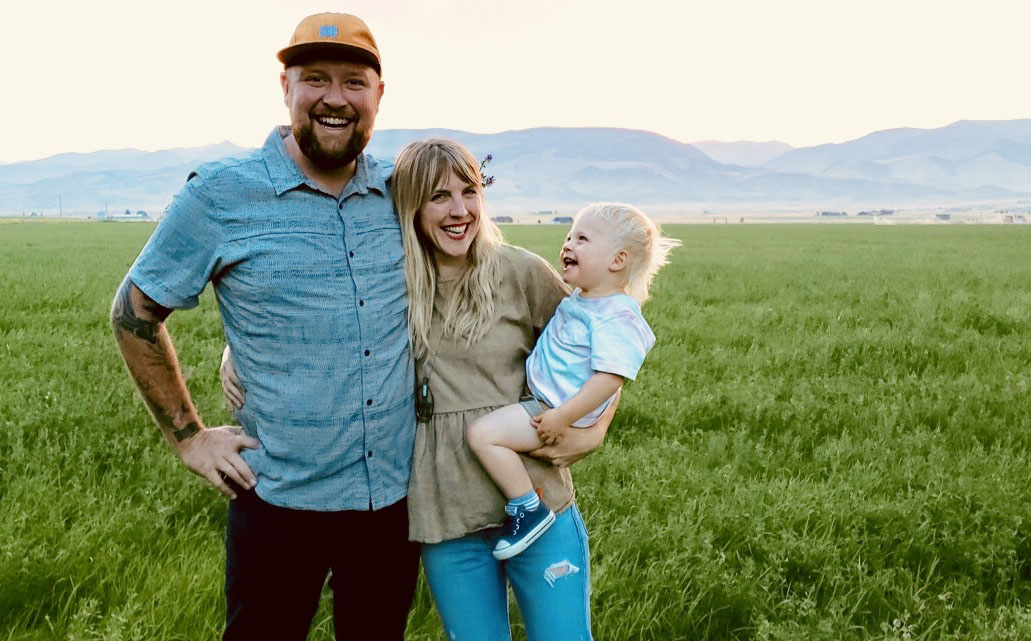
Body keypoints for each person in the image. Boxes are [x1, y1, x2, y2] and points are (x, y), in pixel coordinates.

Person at [222, 139, 617, 640]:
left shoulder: (520, 272)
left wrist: (597, 427)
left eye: (468, 191)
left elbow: (604, 347)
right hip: (445, 517)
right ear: (410, 205)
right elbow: (307, 316)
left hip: (539, 503)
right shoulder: (390, 281)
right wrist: (233, 349)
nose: (459, 211)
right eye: (438, 196)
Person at [110, 13, 419, 640]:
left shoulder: (403, 189)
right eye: (315, 79)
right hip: (277, 503)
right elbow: (134, 314)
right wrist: (190, 439)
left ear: (378, 95)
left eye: (353, 81)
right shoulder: (222, 194)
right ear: (286, 87)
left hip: (390, 502)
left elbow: (475, 279)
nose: (335, 98)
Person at [466, 202, 680, 560]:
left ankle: (527, 508)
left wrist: (563, 417)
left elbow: (610, 378)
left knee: (482, 435)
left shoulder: (617, 315)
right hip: (548, 401)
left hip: (551, 408)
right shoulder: (586, 300)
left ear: (617, 261)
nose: (567, 245)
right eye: (569, 236)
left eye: (582, 238)